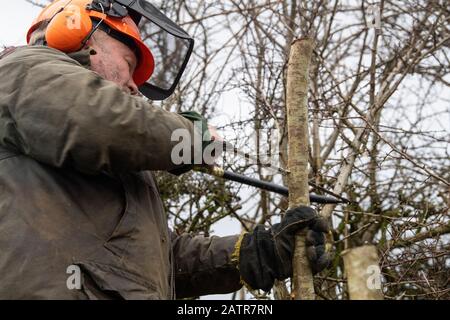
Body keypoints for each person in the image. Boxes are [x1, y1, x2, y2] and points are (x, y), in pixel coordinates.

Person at [0, 0, 330, 299]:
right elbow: (98, 120)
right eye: (129, 64)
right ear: (78, 34)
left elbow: (161, 260)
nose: (133, 86)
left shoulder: (119, 168)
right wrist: (192, 137)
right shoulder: (23, 70)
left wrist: (259, 252)